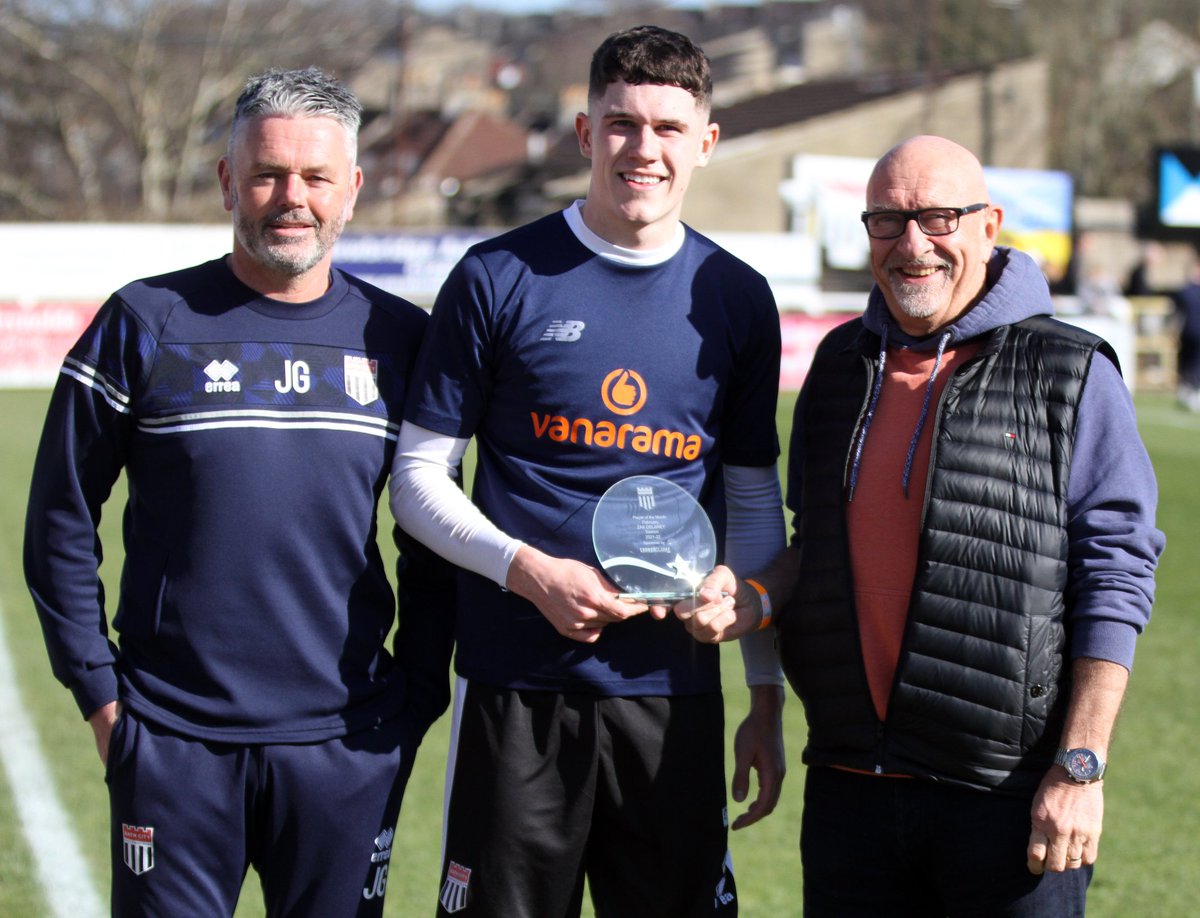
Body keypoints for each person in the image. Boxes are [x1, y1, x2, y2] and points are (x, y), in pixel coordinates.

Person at [683, 135, 1164, 914]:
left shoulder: (1072, 372)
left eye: (939, 218)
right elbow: (821, 551)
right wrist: (759, 598)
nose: (913, 245)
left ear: (989, 224)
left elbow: (1117, 571)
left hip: (1008, 798)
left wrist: (1080, 767)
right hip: (850, 794)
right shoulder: (840, 367)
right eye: (887, 221)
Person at [23, 67, 454, 916]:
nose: (290, 197)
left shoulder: (402, 341)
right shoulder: (144, 323)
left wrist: (416, 697)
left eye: (316, 177)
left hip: (348, 743)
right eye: (266, 174)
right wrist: (102, 699)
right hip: (173, 743)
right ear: (228, 181)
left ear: (352, 190)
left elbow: (433, 534)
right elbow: (61, 517)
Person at [389, 25, 786, 918]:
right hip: (515, 689)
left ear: (706, 143)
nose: (643, 150)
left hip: (674, 696)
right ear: (583, 133)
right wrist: (525, 572)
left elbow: (755, 508)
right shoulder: (498, 276)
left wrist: (763, 691)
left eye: (669, 129)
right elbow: (417, 481)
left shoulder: (736, 297)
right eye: (621, 124)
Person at [1171, 247, 1200, 411]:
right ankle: (1189, 391)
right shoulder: (1188, 290)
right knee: (1190, 363)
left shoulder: (1187, 290)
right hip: (1190, 331)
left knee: (1192, 363)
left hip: (1190, 331)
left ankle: (1190, 391)